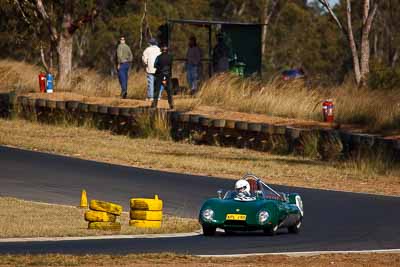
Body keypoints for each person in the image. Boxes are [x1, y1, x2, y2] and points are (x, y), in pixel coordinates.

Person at [151, 44, 174, 109]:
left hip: (159, 75)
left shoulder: (158, 57)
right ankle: (171, 104)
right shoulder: (170, 57)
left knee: (157, 90)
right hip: (168, 75)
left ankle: (154, 104)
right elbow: (170, 65)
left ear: (161, 50)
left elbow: (155, 65)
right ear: (167, 50)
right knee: (169, 91)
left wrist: (160, 67)